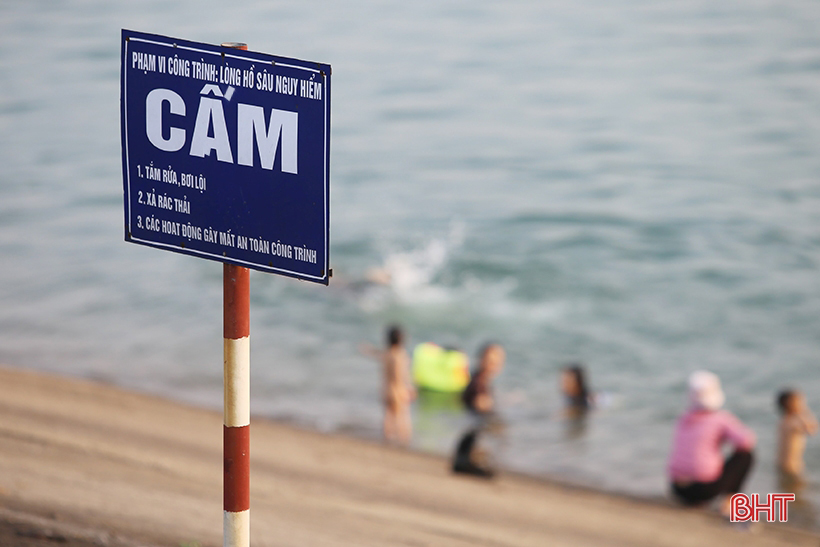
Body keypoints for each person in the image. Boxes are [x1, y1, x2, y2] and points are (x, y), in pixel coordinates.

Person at [667, 370, 756, 516]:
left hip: (677, 488)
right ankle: (730, 502)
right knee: (746, 455)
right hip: (704, 489)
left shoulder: (683, 418)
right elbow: (747, 441)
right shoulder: (720, 418)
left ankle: (698, 502)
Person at [453, 343, 506, 478]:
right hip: (468, 451)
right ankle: (473, 461)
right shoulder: (478, 383)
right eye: (491, 361)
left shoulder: (480, 381)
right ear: (481, 360)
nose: (494, 365)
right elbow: (480, 404)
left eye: (498, 362)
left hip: (466, 448)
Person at [363, 325, 416, 445]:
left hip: (386, 390)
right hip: (398, 390)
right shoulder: (400, 354)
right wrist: (409, 388)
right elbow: (400, 375)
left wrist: (368, 349)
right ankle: (404, 441)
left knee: (388, 416)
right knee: (402, 417)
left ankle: (386, 440)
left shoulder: (387, 353)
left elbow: (377, 354)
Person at [777, 389, 818, 478]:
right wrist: (805, 410)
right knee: (798, 489)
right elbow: (812, 430)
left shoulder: (784, 421)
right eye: (800, 401)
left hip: (783, 463)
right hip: (793, 465)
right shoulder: (793, 422)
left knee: (788, 489)